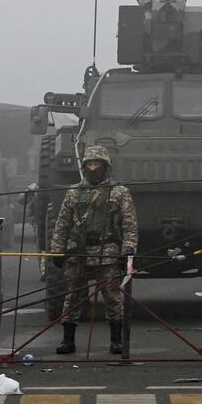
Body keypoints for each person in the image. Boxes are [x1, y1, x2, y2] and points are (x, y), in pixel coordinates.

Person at [50, 146, 138, 355]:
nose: (92, 167)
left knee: (112, 296)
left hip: (107, 251)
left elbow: (129, 224)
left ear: (105, 166)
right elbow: (61, 224)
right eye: (89, 164)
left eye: (96, 163)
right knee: (72, 297)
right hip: (78, 253)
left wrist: (128, 249)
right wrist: (57, 251)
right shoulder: (74, 192)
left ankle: (116, 341)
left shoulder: (119, 192)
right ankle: (68, 340)